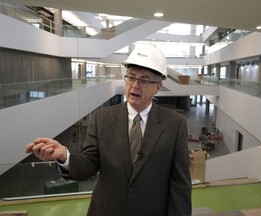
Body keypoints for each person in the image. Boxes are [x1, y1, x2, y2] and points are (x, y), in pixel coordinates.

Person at [25, 44, 192, 216]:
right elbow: (89, 164)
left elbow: (181, 184)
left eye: (144, 80)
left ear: (158, 86)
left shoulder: (175, 124)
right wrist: (64, 156)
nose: (135, 85)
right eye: (131, 77)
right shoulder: (102, 118)